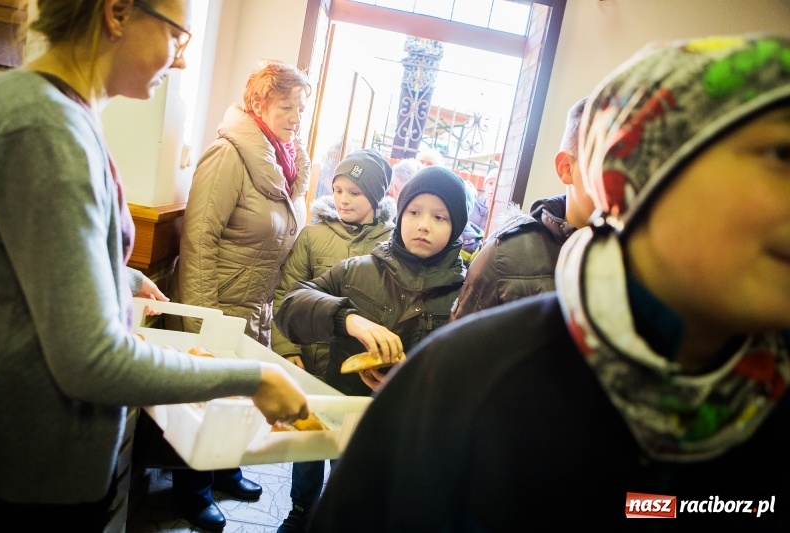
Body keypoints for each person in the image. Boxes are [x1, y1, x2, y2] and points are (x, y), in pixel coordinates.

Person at [306, 34, 790, 531]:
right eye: (781, 153)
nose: (424, 226)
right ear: (644, 167)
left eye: (440, 217)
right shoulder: (472, 377)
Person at [0, 1, 308, 532]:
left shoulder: (62, 115)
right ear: (117, 13)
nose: (181, 62)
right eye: (177, 37)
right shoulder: (43, 128)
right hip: (31, 474)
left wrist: (121, 276)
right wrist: (251, 378)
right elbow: (92, 362)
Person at [164, 58, 311, 530]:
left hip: (253, 302)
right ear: (257, 104)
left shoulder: (281, 161)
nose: (294, 117)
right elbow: (199, 239)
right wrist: (202, 320)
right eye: (286, 106)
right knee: (208, 398)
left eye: (300, 109)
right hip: (220, 300)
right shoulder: (228, 154)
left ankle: (225, 471)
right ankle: (193, 490)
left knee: (236, 397)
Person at [270, 148, 395, 532]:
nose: (343, 198)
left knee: (350, 447)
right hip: (313, 361)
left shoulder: (392, 243)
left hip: (361, 371)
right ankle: (301, 510)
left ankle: (340, 512)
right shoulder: (314, 236)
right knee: (308, 444)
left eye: (355, 192)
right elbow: (287, 294)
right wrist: (289, 351)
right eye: (338, 189)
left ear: (375, 197)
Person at [274, 165, 468, 397]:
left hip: (413, 424)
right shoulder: (358, 270)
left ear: (455, 226)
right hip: (340, 410)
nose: (423, 225)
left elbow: (467, 381)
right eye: (413, 212)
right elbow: (290, 306)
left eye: (439, 217)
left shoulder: (466, 296)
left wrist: (408, 388)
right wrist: (347, 318)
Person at [451, 97, 596, 320]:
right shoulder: (507, 255)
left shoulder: (651, 252)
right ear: (566, 168)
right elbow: (459, 348)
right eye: (611, 162)